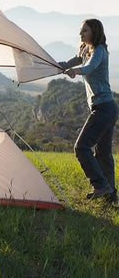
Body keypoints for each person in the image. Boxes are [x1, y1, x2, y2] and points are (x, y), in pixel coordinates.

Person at [59, 18, 118, 204]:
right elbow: (70, 62)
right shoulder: (85, 49)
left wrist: (76, 71)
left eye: (84, 31)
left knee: (81, 147)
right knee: (103, 154)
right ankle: (111, 198)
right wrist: (51, 65)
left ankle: (100, 184)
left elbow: (89, 67)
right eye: (81, 31)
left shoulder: (99, 50)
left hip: (104, 108)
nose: (80, 34)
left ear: (94, 32)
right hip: (105, 108)